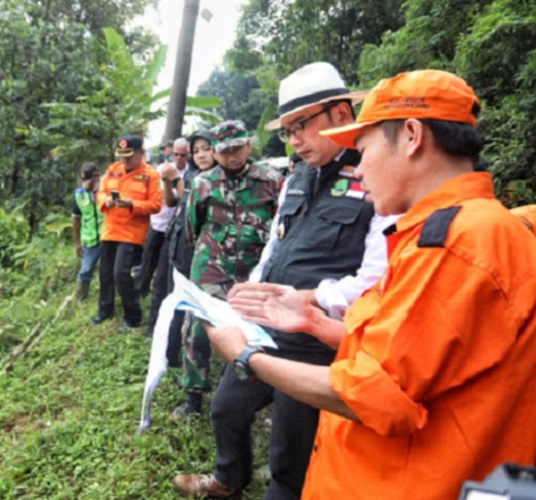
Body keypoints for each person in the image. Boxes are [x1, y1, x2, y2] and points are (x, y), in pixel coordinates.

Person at [213, 69, 536, 499]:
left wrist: (245, 356)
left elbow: (373, 396)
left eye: (362, 150)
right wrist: (314, 320)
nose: (360, 169)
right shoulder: (441, 233)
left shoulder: (456, 246)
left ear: (411, 136)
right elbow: (410, 354)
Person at [173, 62, 398, 498]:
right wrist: (256, 287)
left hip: (319, 339)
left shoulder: (376, 178)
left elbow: (377, 278)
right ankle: (229, 479)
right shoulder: (297, 177)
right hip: (269, 327)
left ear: (340, 115)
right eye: (287, 130)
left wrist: (308, 301)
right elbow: (277, 245)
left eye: (302, 125)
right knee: (226, 409)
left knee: (288, 455)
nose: (294, 138)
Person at [175, 120, 281, 418]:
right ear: (216, 152)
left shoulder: (271, 179)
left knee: (250, 328)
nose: (232, 156)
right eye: (225, 151)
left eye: (238, 149)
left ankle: (244, 389)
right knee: (196, 328)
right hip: (210, 266)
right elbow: (192, 228)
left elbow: (279, 226)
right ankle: (193, 395)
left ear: (248, 145)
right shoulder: (203, 183)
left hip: (253, 269)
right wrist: (211, 253)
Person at [92, 135, 162, 333]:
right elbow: (100, 193)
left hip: (132, 234)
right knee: (105, 274)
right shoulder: (113, 170)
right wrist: (106, 201)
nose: (125, 161)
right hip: (109, 230)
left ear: (142, 153)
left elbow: (155, 205)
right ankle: (104, 310)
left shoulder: (151, 175)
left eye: (129, 157)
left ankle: (133, 316)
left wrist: (132, 204)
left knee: (121, 273)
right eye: (122, 156)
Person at [157, 130, 218, 354]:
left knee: (193, 305)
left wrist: (175, 179)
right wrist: (167, 182)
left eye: (206, 149)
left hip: (201, 250)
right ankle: (171, 352)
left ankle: (189, 353)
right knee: (172, 297)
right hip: (178, 242)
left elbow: (196, 199)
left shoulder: (218, 178)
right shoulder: (191, 175)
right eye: (196, 151)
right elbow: (174, 202)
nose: (200, 155)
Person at [136, 138, 189, 299]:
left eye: (183, 155)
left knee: (166, 265)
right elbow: (165, 198)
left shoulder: (190, 174)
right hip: (159, 224)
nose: (179, 158)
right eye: (176, 154)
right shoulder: (161, 170)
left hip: (175, 229)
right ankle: (140, 293)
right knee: (147, 263)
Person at [72, 162, 103, 300]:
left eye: (88, 180)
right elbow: (76, 219)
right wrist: (77, 243)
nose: (85, 184)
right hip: (89, 240)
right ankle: (80, 298)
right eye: (83, 181)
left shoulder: (106, 191)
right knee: (85, 271)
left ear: (97, 177)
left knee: (109, 272)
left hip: (107, 237)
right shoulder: (80, 195)